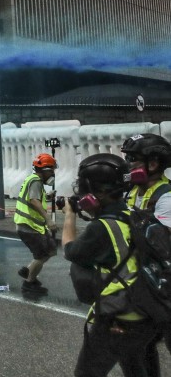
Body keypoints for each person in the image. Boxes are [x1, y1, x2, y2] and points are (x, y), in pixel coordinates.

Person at [62, 153, 157, 377]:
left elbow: (71, 252)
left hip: (119, 316)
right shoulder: (136, 214)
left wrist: (69, 216)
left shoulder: (102, 228)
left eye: (86, 189)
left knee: (87, 373)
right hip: (147, 312)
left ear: (100, 193)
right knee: (134, 366)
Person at [121, 134, 171, 377]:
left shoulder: (167, 197)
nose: (128, 165)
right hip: (146, 282)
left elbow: (162, 243)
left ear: (152, 164)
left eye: (132, 159)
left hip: (166, 285)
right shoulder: (132, 192)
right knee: (143, 343)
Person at [14, 153, 58, 294]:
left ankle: (28, 271)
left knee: (50, 250)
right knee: (42, 255)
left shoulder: (33, 179)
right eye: (51, 170)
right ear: (45, 170)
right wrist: (49, 219)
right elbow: (34, 200)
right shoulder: (36, 181)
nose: (53, 173)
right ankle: (29, 283)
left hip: (33, 226)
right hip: (29, 226)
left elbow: (35, 198)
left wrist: (47, 196)